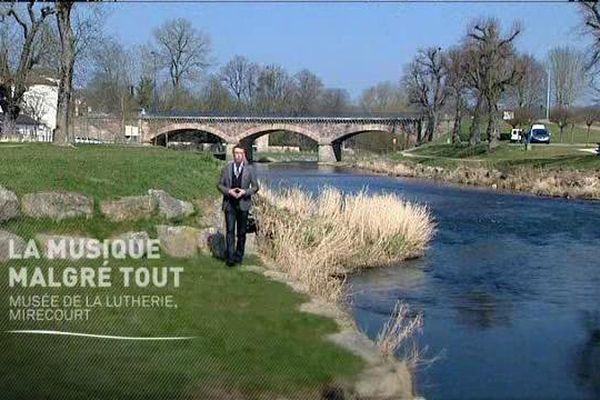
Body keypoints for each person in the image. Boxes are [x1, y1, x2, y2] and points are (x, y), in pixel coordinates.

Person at [216, 144, 260, 267]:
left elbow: (256, 187)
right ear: (233, 154)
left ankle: (239, 257)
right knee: (230, 231)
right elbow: (219, 185)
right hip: (229, 204)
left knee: (241, 233)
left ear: (244, 154)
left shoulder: (250, 170)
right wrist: (228, 191)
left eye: (240, 153)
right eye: (236, 153)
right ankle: (230, 258)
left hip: (243, 204)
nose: (238, 155)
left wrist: (244, 192)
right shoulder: (227, 169)